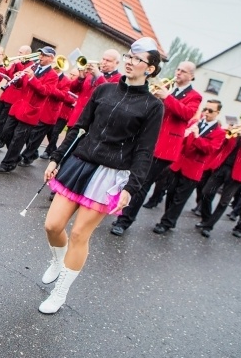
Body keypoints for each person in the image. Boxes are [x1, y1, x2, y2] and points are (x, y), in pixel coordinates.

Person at [39, 38, 164, 314]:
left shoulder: (153, 106)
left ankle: (61, 291)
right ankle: (57, 260)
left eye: (138, 59)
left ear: (151, 69)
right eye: (129, 55)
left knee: (80, 234)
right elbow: (78, 127)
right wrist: (56, 158)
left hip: (110, 174)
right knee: (52, 225)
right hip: (80, 163)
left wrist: (131, 188)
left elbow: (145, 150)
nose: (130, 61)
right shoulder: (104, 90)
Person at [110, 61, 201, 235]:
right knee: (130, 177)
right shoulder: (169, 86)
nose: (179, 72)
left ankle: (124, 221)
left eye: (183, 71)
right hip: (148, 139)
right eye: (178, 69)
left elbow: (187, 114)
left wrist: (168, 97)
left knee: (141, 183)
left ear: (192, 76)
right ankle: (119, 211)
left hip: (165, 147)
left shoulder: (194, 96)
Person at [151, 100, 225, 234]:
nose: (206, 113)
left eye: (210, 111)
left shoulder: (220, 133)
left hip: (193, 168)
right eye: (205, 109)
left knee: (180, 199)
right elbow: (181, 141)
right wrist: (185, 134)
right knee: (171, 193)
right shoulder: (194, 123)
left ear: (217, 113)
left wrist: (196, 136)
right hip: (179, 163)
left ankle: (166, 223)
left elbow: (210, 149)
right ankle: (169, 220)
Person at [194, 112, 241, 237]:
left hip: (238, 172)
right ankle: (206, 218)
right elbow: (222, 144)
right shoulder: (237, 130)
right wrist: (227, 133)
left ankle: (209, 226)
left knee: (224, 201)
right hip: (222, 166)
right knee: (206, 192)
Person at [0, 47, 58, 172]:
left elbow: (45, 91)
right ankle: (15, 157)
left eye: (44, 55)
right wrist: (17, 78)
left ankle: (7, 164)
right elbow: (21, 85)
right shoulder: (32, 68)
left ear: (51, 58)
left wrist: (32, 78)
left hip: (30, 111)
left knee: (18, 138)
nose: (40, 57)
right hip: (18, 106)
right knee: (6, 133)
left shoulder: (53, 75)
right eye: (41, 54)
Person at [0, 45, 32, 150]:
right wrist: (9, 66)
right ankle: (3, 136)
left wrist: (17, 65)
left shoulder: (30, 65)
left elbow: (22, 80)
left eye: (21, 53)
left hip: (15, 97)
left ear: (27, 54)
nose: (18, 54)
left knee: (3, 121)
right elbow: (8, 74)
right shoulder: (16, 63)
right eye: (19, 52)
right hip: (6, 94)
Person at [66, 49, 121, 128]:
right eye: (103, 59)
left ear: (117, 63)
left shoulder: (118, 78)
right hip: (76, 119)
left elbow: (109, 95)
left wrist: (99, 76)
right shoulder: (90, 73)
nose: (104, 62)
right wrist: (81, 78)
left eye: (108, 60)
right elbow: (73, 89)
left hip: (91, 123)